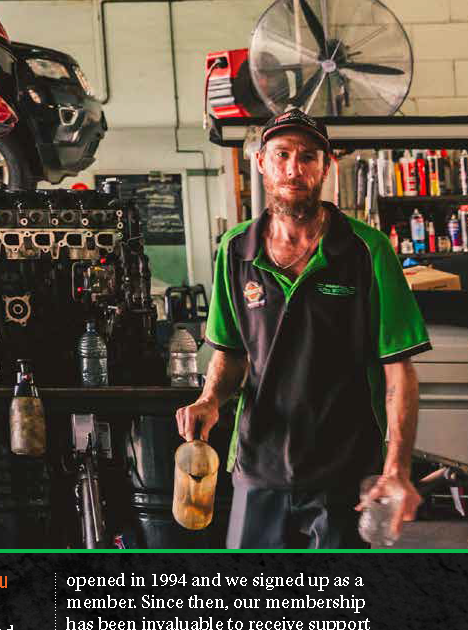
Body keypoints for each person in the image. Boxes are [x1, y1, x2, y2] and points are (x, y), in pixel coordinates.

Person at [177, 106, 429, 548]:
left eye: (308, 157)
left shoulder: (365, 249)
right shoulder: (235, 251)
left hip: (344, 470)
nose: (294, 169)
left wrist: (397, 468)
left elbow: (398, 371)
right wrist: (209, 399)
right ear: (261, 162)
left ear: (326, 166)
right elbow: (231, 352)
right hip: (259, 465)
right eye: (282, 155)